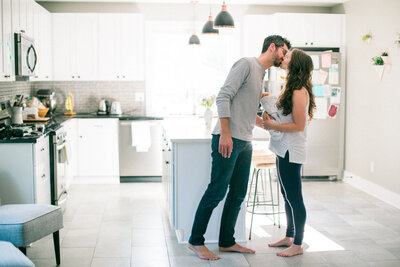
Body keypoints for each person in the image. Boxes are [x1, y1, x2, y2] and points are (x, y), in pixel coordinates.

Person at [188, 35, 291, 261]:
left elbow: (245, 110)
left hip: (244, 141)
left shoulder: (261, 74)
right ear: (272, 47)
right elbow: (223, 97)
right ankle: (196, 241)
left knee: (238, 194)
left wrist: (268, 125)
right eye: (284, 51)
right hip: (229, 139)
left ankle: (226, 241)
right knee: (216, 191)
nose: (284, 56)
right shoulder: (246, 64)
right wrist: (225, 133)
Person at [262, 48, 316, 257]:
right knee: (286, 194)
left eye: (288, 57)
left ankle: (298, 244)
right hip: (283, 149)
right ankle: (290, 236)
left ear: (296, 65)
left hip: (292, 151)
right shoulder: (290, 87)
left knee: (294, 197)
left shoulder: (298, 90)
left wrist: (271, 126)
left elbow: (298, 126)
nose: (284, 58)